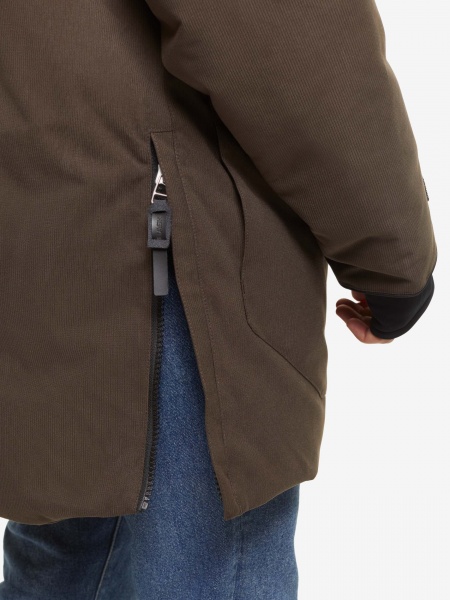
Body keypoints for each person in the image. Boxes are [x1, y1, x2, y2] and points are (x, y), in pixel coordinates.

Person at [0, 0, 437, 598]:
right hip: (174, 253)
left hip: (48, 230)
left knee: (67, 554)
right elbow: (287, 35)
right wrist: (392, 254)